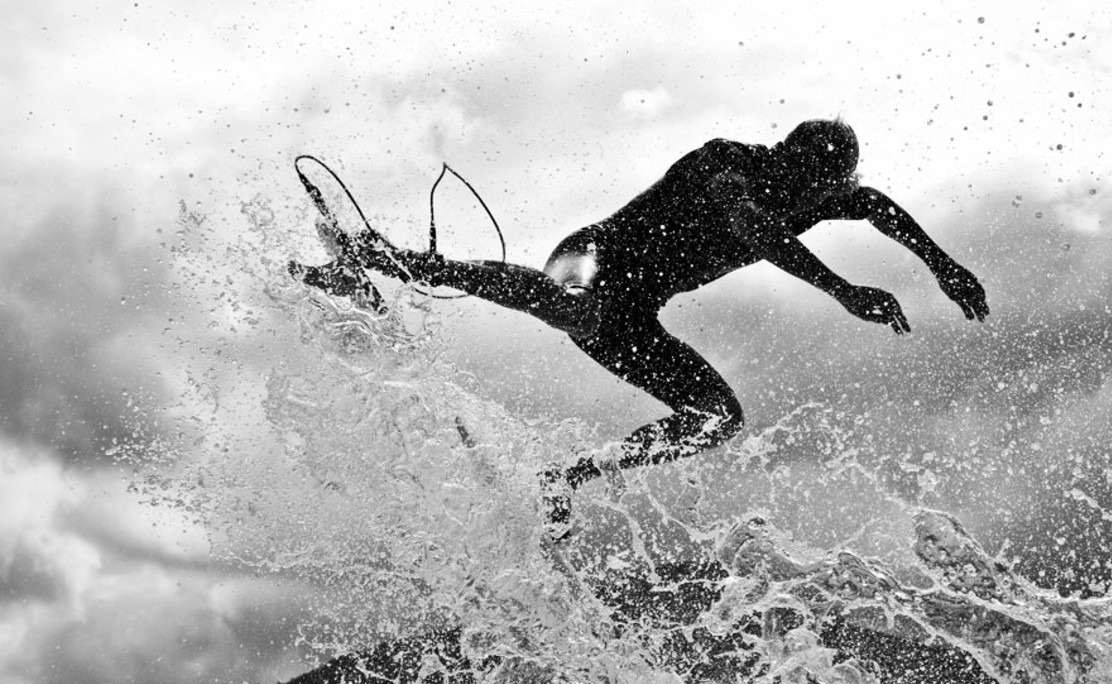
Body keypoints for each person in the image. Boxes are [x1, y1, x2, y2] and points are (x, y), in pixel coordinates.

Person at [290, 119, 989, 538]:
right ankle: (389, 259)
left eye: (823, 195)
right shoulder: (730, 166)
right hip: (591, 259)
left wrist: (944, 265)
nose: (817, 202)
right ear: (785, 157)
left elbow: (874, 206)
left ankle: (563, 479)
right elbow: (756, 228)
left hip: (630, 317)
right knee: (574, 305)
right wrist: (840, 291)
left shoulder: (817, 197)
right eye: (808, 187)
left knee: (718, 417)